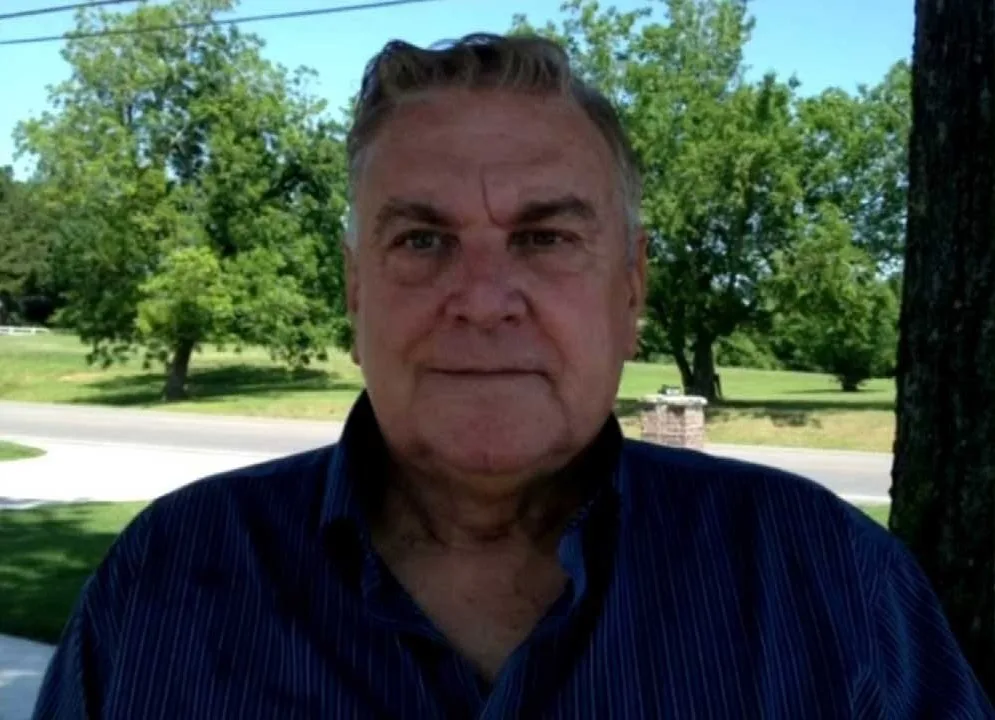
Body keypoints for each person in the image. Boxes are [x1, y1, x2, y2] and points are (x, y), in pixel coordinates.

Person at [33, 34, 993, 719]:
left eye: (543, 237)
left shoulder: (826, 581)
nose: (483, 299)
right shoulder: (164, 582)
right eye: (421, 239)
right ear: (354, 288)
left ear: (630, 285)